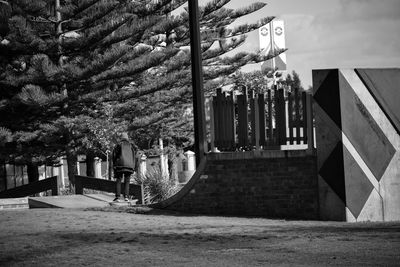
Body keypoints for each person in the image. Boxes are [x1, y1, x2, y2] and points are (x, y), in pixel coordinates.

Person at [112, 132, 137, 202]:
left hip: (120, 165)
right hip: (129, 166)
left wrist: (114, 165)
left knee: (119, 180)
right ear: (127, 138)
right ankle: (126, 197)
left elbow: (114, 155)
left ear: (121, 138)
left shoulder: (118, 145)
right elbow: (135, 155)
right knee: (127, 181)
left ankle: (118, 197)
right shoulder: (131, 145)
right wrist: (134, 166)